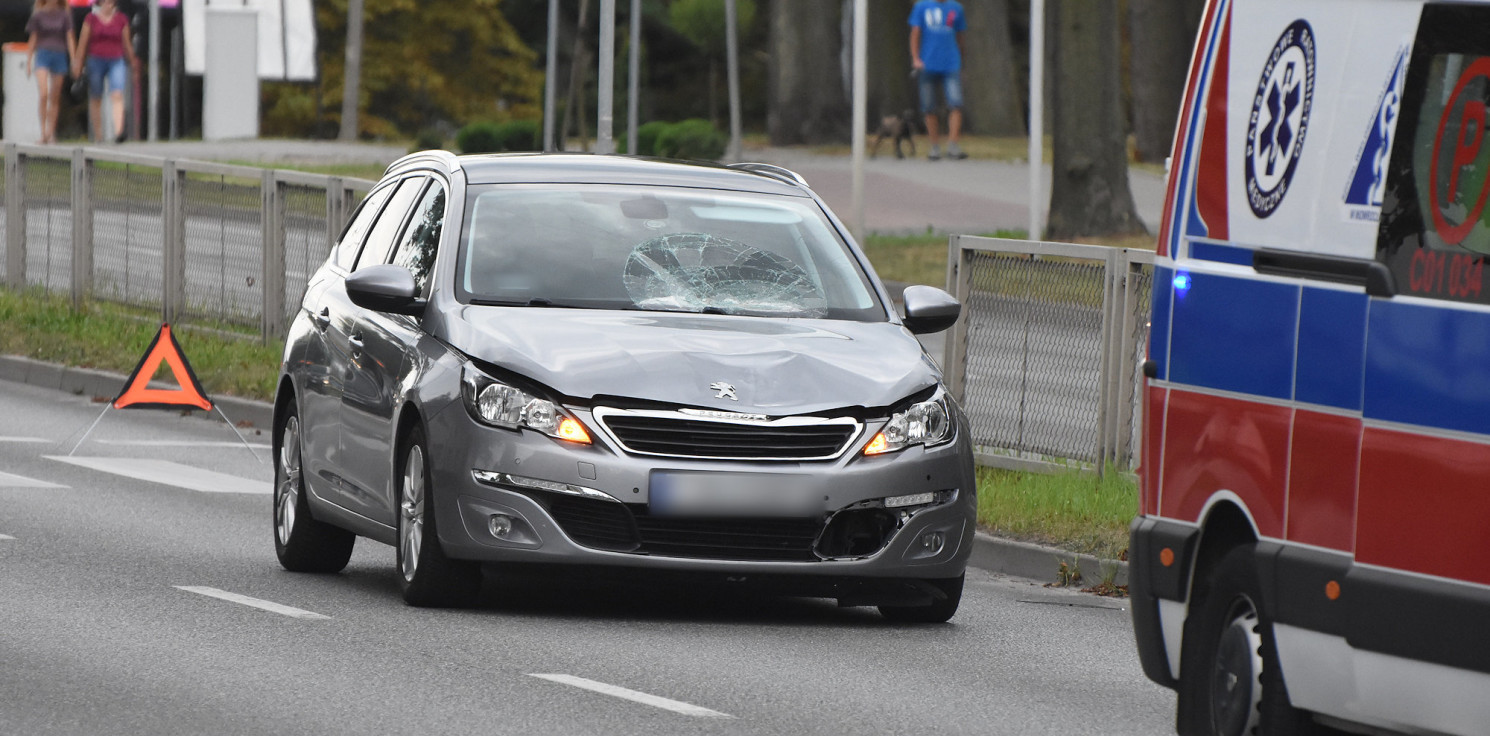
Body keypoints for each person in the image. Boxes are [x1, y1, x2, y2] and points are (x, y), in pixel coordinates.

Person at [908, 0, 968, 160]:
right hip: (927, 63)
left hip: (951, 63)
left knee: (955, 103)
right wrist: (915, 58)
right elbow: (915, 33)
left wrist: (961, 59)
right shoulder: (921, 7)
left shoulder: (956, 8)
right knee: (929, 106)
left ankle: (953, 145)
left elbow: (960, 36)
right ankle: (934, 145)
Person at [71, 0, 136, 143]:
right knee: (96, 96)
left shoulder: (121, 19)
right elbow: (83, 42)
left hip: (116, 60)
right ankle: (98, 135)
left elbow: (126, 42)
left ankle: (119, 132)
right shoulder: (91, 19)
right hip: (96, 59)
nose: (109, 3)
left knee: (117, 94)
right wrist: (78, 63)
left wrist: (132, 61)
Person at [26, 0, 77, 144]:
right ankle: (43, 132)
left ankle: (51, 132)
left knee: (55, 96)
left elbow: (69, 37)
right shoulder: (38, 15)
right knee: (44, 93)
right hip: (43, 54)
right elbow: (33, 37)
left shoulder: (64, 15)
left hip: (59, 54)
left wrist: (74, 59)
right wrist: (29, 60)